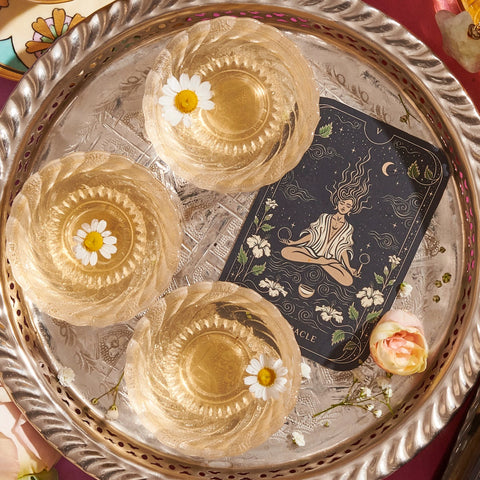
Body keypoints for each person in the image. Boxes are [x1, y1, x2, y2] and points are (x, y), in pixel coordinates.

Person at [280, 154, 372, 287]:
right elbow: (313, 235)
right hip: (313, 252)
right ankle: (319, 262)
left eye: (348, 206)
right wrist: (295, 242)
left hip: (331, 259)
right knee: (286, 251)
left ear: (351, 209)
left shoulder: (348, 228)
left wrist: (350, 267)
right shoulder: (325, 217)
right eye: (343, 203)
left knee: (348, 280)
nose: (344, 207)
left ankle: (320, 262)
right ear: (338, 202)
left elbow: (342, 249)